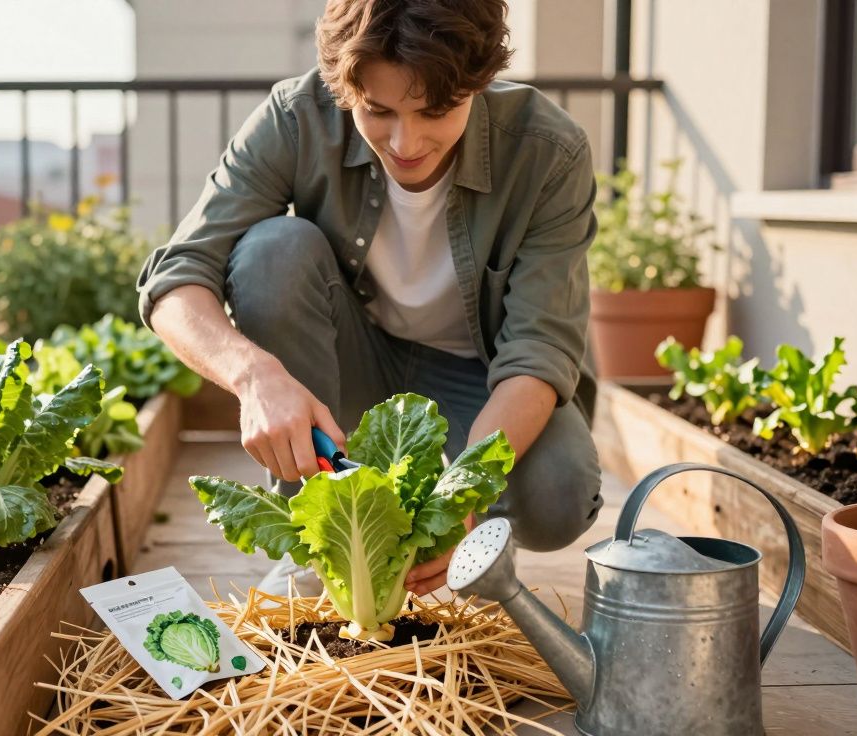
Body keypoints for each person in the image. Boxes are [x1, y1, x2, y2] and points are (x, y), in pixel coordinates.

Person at [137, 0, 603, 597]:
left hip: (480, 383)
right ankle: (317, 537)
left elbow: (539, 353)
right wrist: (253, 376)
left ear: (479, 83)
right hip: (350, 367)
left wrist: (463, 497)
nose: (405, 143)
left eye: (435, 110)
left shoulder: (548, 150)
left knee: (558, 495)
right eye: (377, 110)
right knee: (271, 250)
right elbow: (175, 279)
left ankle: (457, 533)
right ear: (343, 85)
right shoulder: (295, 116)